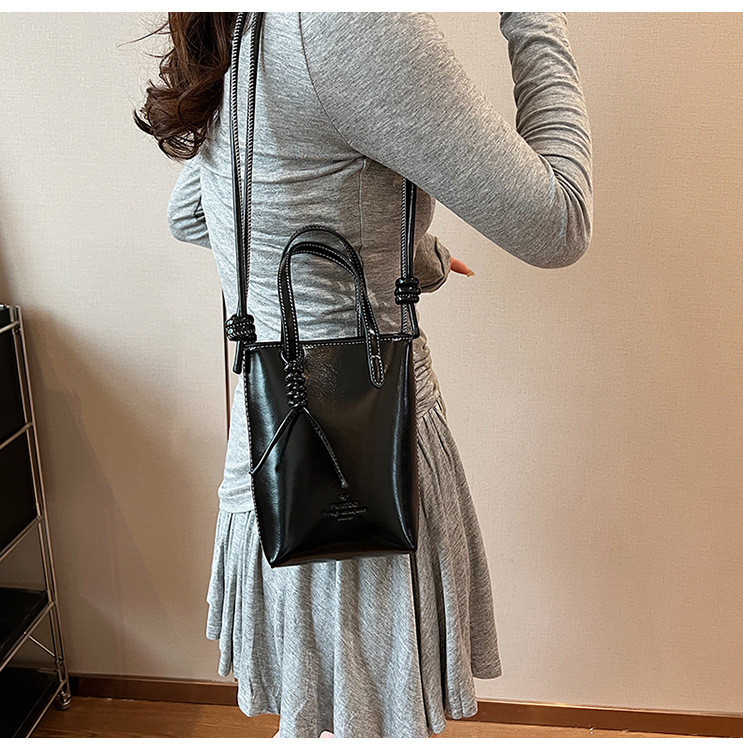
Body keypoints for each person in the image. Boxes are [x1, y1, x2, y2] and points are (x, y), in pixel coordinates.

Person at [134, 11, 593, 739]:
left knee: (321, 719)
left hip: (269, 453)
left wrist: (403, 254)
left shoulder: (249, 22)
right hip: (369, 462)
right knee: (372, 720)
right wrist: (537, 20)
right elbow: (560, 221)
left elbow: (198, 214)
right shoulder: (356, 23)